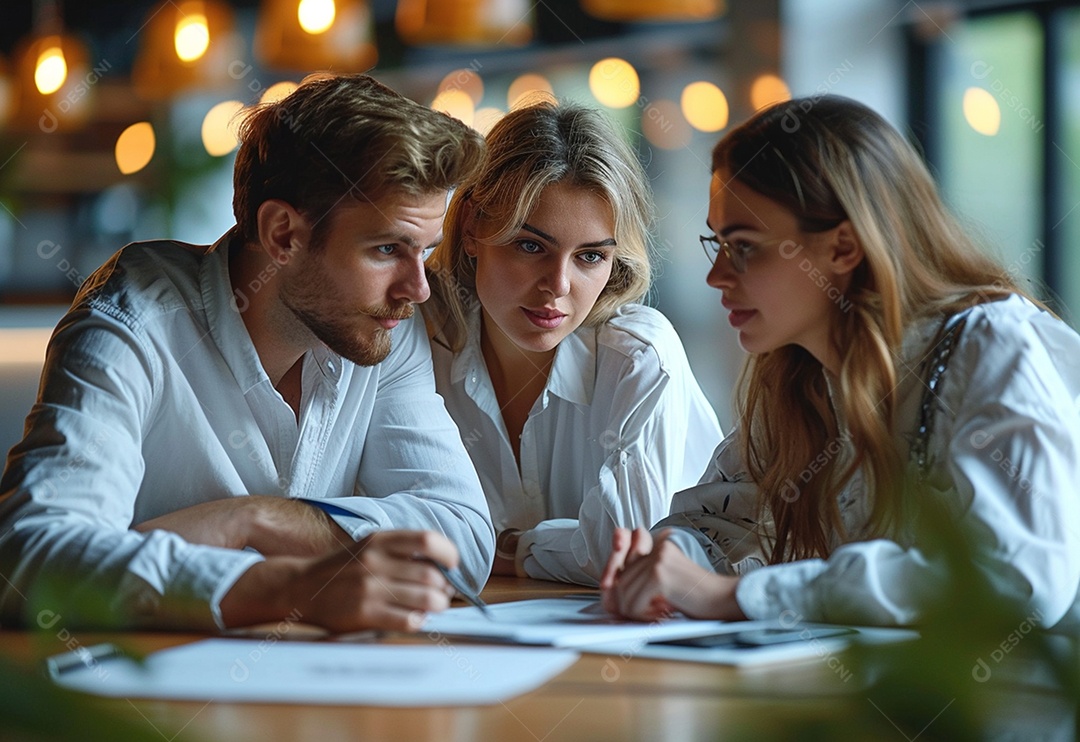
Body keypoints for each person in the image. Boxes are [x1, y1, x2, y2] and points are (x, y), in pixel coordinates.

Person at [0, 73, 494, 632]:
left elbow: (463, 540)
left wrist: (253, 519)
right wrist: (290, 587)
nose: (417, 289)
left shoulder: (385, 328)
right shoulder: (133, 322)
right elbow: (30, 557)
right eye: (386, 249)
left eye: (425, 250)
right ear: (283, 234)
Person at [600, 94, 1080, 630]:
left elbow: (1019, 581)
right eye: (717, 243)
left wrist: (739, 597)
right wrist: (667, 559)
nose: (717, 276)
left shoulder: (995, 347)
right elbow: (716, 527)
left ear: (843, 248)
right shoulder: (798, 373)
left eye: (745, 246)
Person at [422, 99, 722, 586]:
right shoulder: (419, 346)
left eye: (589, 257)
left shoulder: (639, 357)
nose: (558, 285)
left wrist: (513, 546)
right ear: (475, 227)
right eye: (531, 246)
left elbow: (621, 553)